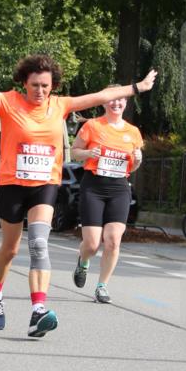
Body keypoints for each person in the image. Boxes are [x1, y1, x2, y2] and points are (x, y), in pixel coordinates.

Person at [0, 25, 156, 337]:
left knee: (39, 243)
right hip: (12, 184)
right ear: (24, 83)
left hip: (45, 184)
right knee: (9, 250)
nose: (40, 91)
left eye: (46, 86)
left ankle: (38, 310)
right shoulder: (8, 102)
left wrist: (137, 88)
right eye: (35, 85)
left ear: (53, 86)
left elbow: (102, 95)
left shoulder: (60, 105)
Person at [70, 93, 144, 303]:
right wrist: (88, 154)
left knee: (113, 241)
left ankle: (102, 286)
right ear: (104, 102)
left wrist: (138, 160)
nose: (116, 103)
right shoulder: (92, 125)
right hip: (93, 186)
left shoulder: (133, 132)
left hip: (119, 188)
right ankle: (83, 261)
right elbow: (74, 152)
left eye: (120, 100)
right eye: (112, 99)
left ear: (125, 103)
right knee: (92, 244)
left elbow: (133, 167)